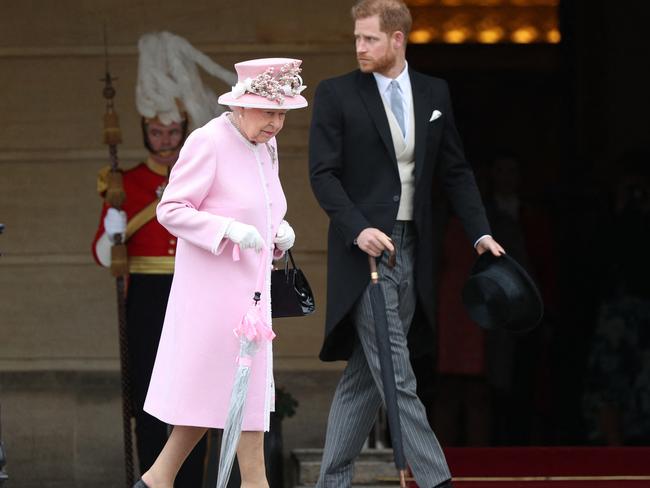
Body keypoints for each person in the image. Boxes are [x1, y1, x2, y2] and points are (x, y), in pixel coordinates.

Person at [308, 1, 504, 487]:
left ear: (398, 39)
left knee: (363, 379)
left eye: (370, 38)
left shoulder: (435, 92)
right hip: (365, 253)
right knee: (397, 374)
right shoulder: (335, 94)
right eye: (356, 37)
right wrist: (357, 228)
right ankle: (439, 480)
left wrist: (480, 232)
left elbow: (455, 170)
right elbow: (323, 175)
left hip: (414, 246)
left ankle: (331, 483)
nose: (359, 47)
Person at [134, 57, 307, 488]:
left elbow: (266, 204)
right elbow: (170, 210)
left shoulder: (266, 143)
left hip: (251, 291)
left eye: (283, 114)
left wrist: (277, 230)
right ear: (242, 105)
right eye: (270, 112)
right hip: (213, 293)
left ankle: (158, 480)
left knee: (235, 393)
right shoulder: (207, 141)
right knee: (225, 392)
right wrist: (225, 229)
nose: (277, 123)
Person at [92, 31, 236, 486]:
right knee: (149, 391)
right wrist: (116, 229)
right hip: (148, 295)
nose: (165, 140)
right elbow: (101, 254)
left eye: (173, 131)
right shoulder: (124, 181)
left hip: (194, 288)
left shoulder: (200, 174)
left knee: (196, 390)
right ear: (144, 132)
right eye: (157, 132)